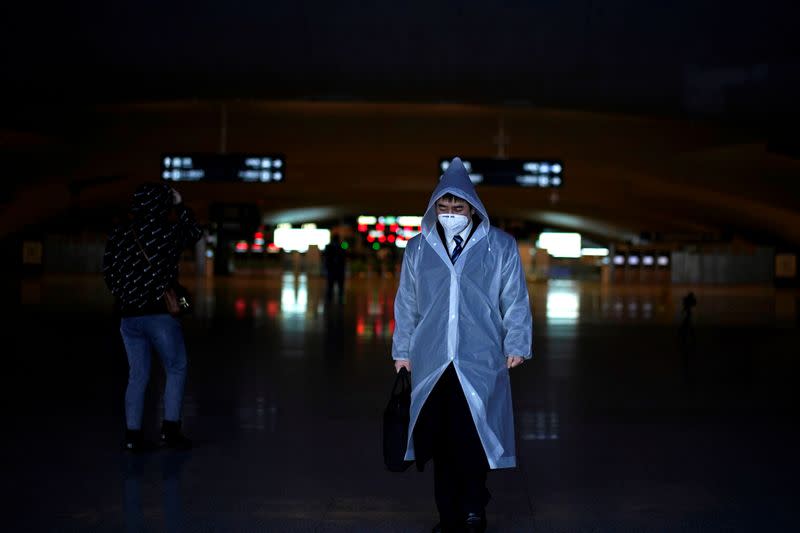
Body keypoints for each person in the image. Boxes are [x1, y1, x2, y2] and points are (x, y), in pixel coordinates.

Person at [391, 157, 533, 533]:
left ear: (473, 208)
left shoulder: (499, 246)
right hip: (432, 358)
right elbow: (406, 301)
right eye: (444, 206)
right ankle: (447, 513)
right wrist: (403, 351)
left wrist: (516, 341)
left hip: (479, 356)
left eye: (458, 206)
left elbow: (514, 298)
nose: (450, 213)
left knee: (473, 435)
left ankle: (473, 506)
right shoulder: (418, 248)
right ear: (433, 207)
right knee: (438, 438)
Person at [103, 183, 203, 452]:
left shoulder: (120, 234)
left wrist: (130, 296)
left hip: (129, 318)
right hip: (160, 315)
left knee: (137, 375)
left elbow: (109, 274)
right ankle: (170, 430)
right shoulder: (167, 233)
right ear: (162, 204)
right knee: (176, 367)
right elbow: (195, 232)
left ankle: (132, 436)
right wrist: (180, 204)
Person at [324, 234, 347, 303]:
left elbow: (326, 258)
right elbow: (344, 257)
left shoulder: (329, 247)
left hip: (333, 270)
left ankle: (330, 299)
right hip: (337, 270)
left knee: (331, 285)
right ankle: (338, 298)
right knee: (338, 286)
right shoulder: (341, 246)